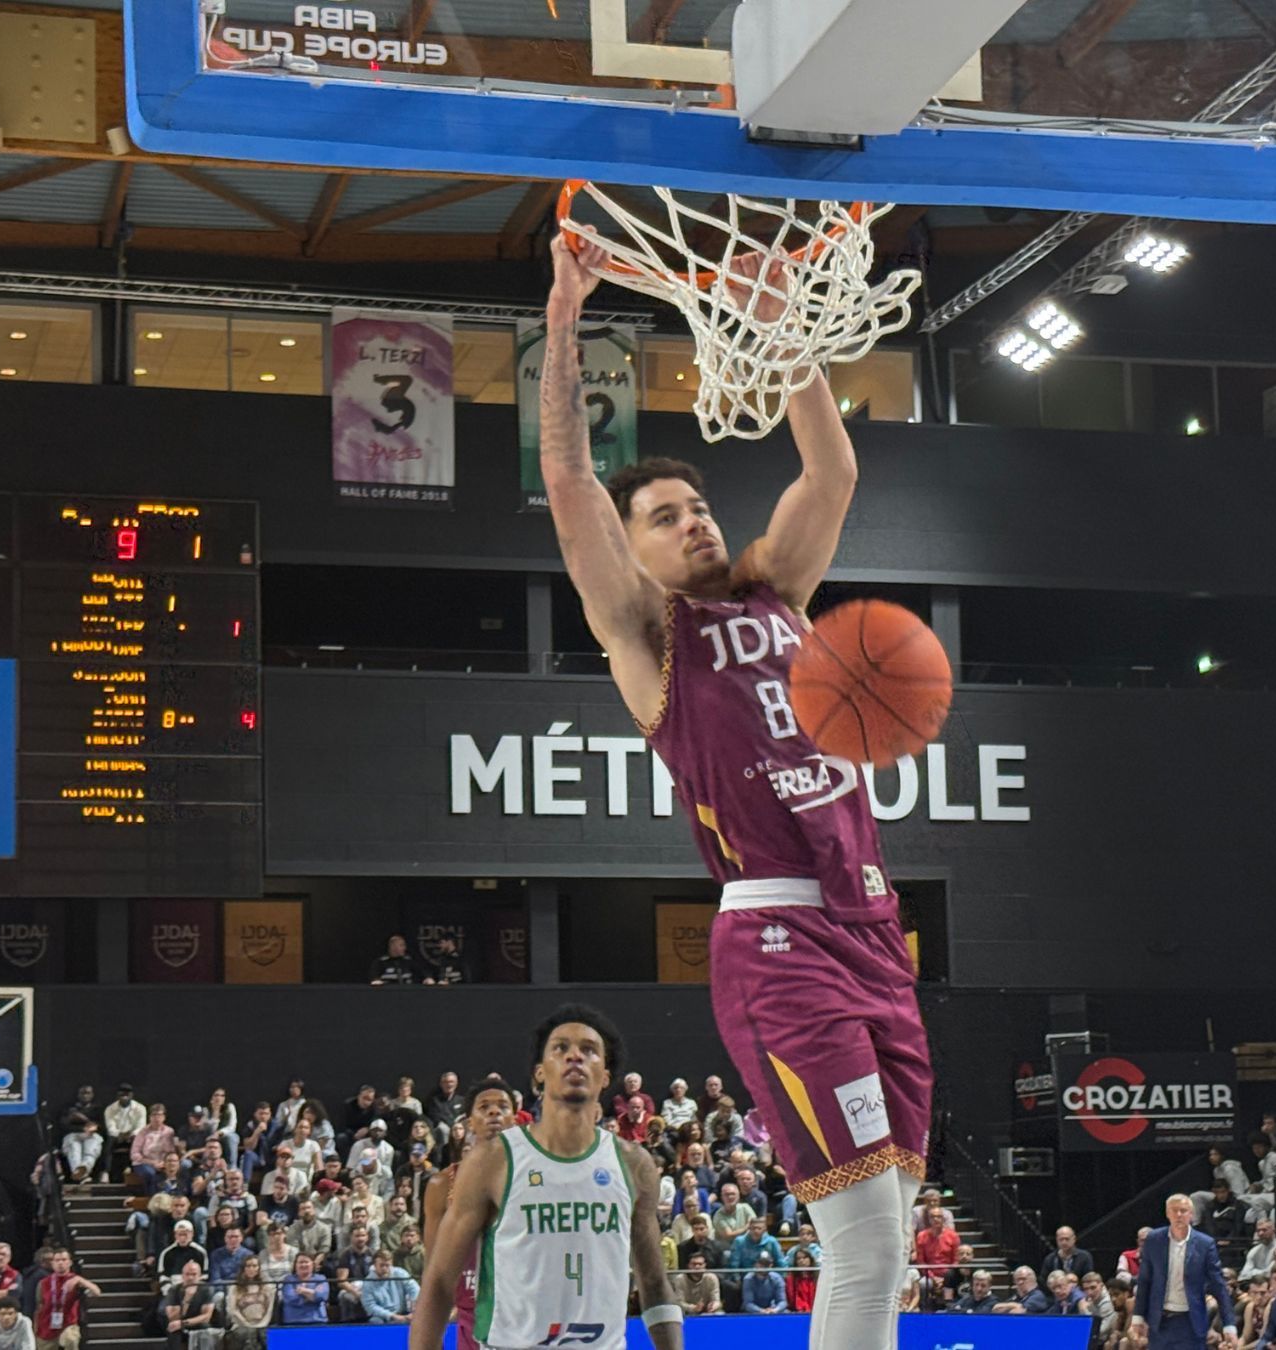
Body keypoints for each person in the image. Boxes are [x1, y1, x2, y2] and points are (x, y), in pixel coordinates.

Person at [542, 235, 931, 1350]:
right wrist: (567, 318)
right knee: (865, 1245)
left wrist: (781, 328)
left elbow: (833, 472)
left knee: (893, 1238)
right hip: (779, 945)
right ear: (631, 555)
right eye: (662, 518)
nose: (692, 521)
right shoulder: (649, 638)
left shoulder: (779, 593)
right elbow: (570, 479)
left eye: (694, 506)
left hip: (873, 934)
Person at [408, 1004, 678, 1349]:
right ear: (539, 1072)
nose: (575, 1057)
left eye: (589, 1050)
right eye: (560, 1048)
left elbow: (654, 1284)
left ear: (606, 1076)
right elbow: (440, 1283)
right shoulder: (492, 1160)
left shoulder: (635, 1164)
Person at [415, 1075, 515, 1349]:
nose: (494, 1111)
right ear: (470, 1122)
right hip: (473, 1308)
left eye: (503, 1106)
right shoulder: (441, 1184)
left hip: (526, 1308)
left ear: (515, 1120)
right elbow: (433, 1270)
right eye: (484, 1107)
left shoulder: (537, 1177)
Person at [1131, 1195, 1233, 1350]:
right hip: (1160, 1321)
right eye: (1174, 1210)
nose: (1179, 1214)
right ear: (1167, 1213)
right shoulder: (1154, 1239)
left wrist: (1229, 1325)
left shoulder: (1205, 1244)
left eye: (1183, 1211)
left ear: (1191, 1214)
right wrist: (1137, 1317)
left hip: (1190, 1321)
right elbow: (1144, 1280)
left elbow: (1219, 1286)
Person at [31, 1249, 99, 1350]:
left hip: (68, 1324)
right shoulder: (43, 1283)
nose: (60, 1263)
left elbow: (96, 1292)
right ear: (52, 1263)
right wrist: (35, 1328)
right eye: (57, 1260)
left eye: (64, 1259)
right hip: (46, 1325)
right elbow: (39, 1306)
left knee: (70, 1339)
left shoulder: (76, 1281)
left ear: (70, 1262)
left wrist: (79, 1279)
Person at [159, 1263, 216, 1347]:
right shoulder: (174, 1290)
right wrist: (186, 1300)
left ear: (200, 1276)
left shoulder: (207, 1289)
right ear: (182, 1276)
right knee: (173, 1328)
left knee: (205, 1328)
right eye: (187, 1274)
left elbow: (206, 1317)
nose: (190, 1278)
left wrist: (183, 1323)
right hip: (178, 1323)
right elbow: (173, 1317)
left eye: (194, 1274)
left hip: (196, 1323)